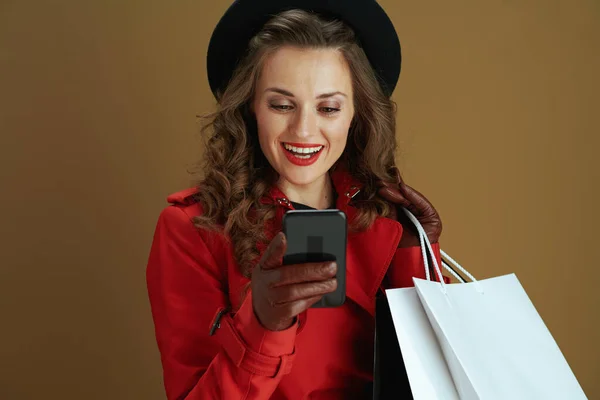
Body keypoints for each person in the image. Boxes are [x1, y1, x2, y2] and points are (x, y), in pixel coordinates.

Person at [146, 1, 448, 399]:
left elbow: (434, 380)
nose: (304, 130)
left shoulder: (386, 218)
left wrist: (420, 253)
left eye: (328, 107)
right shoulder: (193, 229)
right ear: (250, 107)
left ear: (355, 113)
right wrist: (262, 325)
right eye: (281, 105)